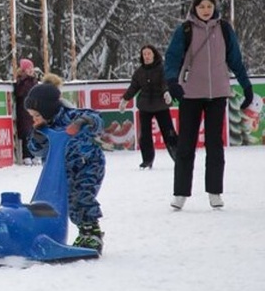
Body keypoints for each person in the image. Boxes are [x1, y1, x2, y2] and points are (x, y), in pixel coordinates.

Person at [163, 0, 253, 211]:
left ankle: (215, 191)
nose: (205, 10)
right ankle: (181, 193)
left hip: (217, 95)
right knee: (186, 145)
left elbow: (235, 60)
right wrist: (172, 81)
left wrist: (246, 85)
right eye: (201, 6)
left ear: (214, 6)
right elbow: (172, 58)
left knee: (215, 145)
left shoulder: (224, 29)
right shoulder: (185, 30)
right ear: (195, 7)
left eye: (209, 5)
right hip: (190, 94)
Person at [24, 74, 106, 254]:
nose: (34, 119)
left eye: (37, 115)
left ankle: (92, 233)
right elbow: (35, 150)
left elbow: (97, 120)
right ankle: (83, 233)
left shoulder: (73, 116)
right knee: (67, 202)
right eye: (32, 116)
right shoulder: (42, 129)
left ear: (47, 110)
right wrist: (38, 139)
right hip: (61, 170)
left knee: (82, 196)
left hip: (88, 164)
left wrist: (83, 121)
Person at [120, 45, 178, 169]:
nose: (146, 56)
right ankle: (147, 161)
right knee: (145, 136)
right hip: (145, 107)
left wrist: (167, 92)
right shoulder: (139, 72)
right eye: (144, 54)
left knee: (169, 133)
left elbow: (165, 83)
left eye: (148, 54)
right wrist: (125, 99)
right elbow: (133, 87)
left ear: (154, 55)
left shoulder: (162, 69)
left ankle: (179, 158)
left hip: (161, 106)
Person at [13, 58, 39, 165]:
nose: (31, 70)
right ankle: (27, 155)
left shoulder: (34, 81)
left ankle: (33, 154)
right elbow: (19, 93)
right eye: (28, 69)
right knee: (27, 133)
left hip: (32, 110)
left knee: (34, 132)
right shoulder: (22, 82)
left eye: (32, 68)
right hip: (24, 111)